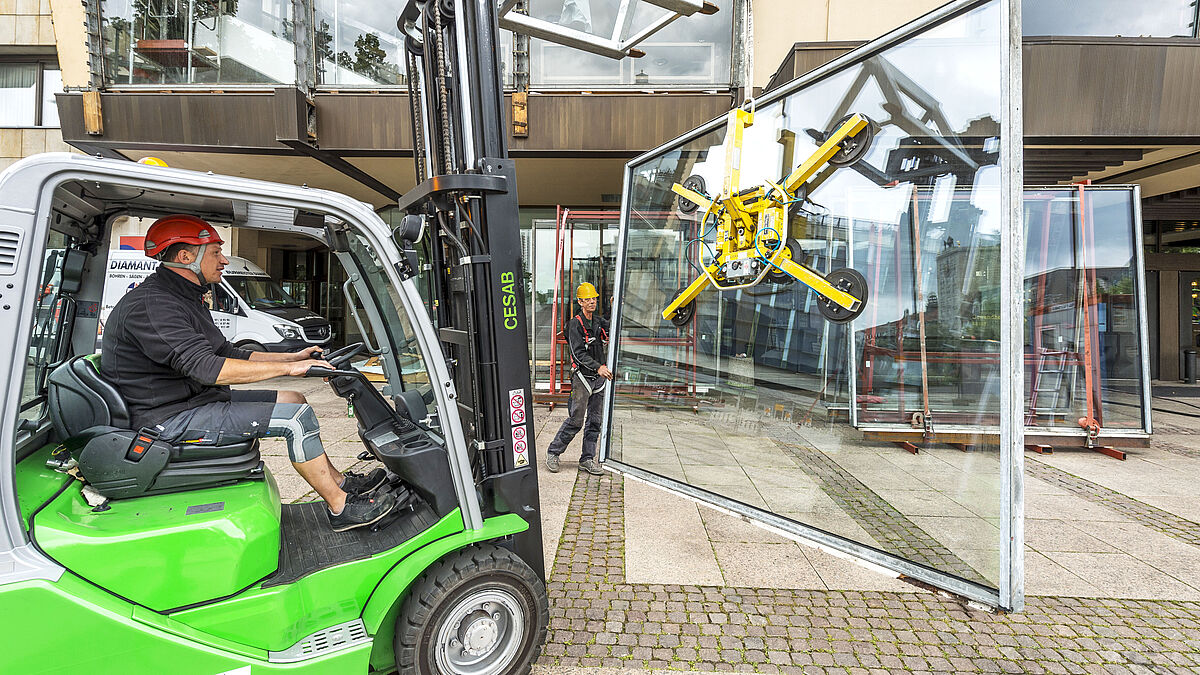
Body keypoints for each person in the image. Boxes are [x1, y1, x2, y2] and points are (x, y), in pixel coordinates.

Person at [101, 214, 397, 531]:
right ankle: (340, 508)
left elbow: (225, 351)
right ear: (186, 257)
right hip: (165, 419)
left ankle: (340, 483)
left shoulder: (183, 297)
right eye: (215, 252)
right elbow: (208, 368)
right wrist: (294, 368)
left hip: (191, 403)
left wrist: (290, 357)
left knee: (294, 400)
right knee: (294, 421)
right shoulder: (154, 305)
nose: (224, 260)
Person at [546, 282, 612, 475]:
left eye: (594, 299)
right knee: (576, 419)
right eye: (588, 299)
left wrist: (615, 307)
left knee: (595, 421)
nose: (592, 302)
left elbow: (614, 328)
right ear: (580, 302)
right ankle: (553, 452)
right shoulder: (574, 324)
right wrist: (598, 367)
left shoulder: (598, 321)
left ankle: (587, 459)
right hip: (583, 378)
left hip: (598, 380)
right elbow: (578, 353)